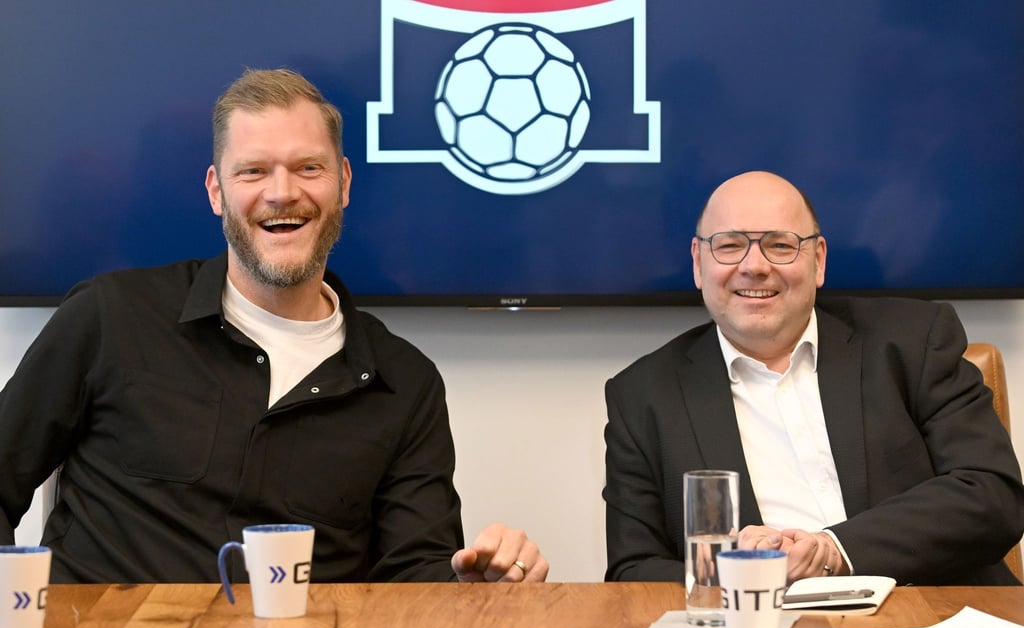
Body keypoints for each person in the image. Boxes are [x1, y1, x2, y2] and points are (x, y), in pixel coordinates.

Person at [0, 68, 547, 584]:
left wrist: (474, 584)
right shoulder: (108, 317)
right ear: (216, 190)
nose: (282, 192)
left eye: (308, 167)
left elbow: (413, 579)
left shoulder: (405, 382)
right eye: (253, 170)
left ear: (344, 183)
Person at [603, 170, 1024, 586]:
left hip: (933, 621)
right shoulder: (642, 397)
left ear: (818, 260)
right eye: (729, 246)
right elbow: (633, 570)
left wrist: (834, 550)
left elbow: (993, 494)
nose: (754, 266)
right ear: (698, 263)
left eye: (780, 246)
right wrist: (734, 572)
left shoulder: (913, 342)